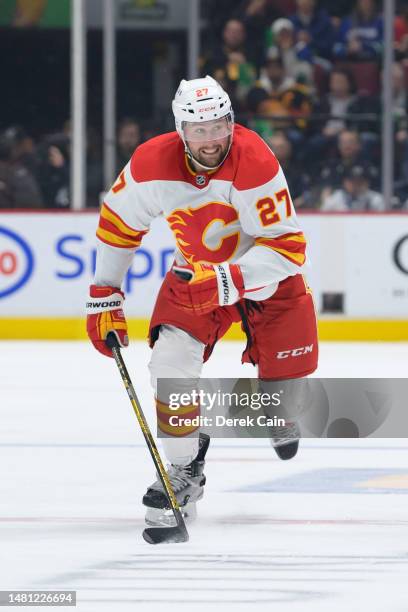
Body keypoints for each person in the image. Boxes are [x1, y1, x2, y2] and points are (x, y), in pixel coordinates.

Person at [86, 76, 318, 525]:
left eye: (218, 127)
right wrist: (104, 294)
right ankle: (183, 467)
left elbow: (289, 249)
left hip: (264, 277)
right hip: (195, 274)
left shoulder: (255, 160)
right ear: (181, 130)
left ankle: (276, 407)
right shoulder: (150, 162)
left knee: (287, 388)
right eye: (198, 129)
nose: (210, 140)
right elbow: (118, 224)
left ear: (231, 122)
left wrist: (228, 280)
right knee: (169, 368)